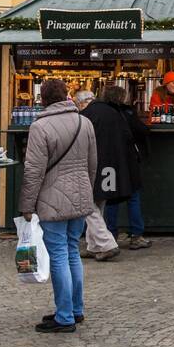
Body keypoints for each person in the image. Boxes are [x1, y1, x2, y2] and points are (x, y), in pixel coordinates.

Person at [20, 78, 97, 333]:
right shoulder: (84, 122)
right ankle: (76, 310)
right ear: (67, 96)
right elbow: (92, 164)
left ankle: (64, 316)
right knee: (73, 251)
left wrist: (26, 206)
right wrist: (87, 190)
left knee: (60, 255)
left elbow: (33, 171)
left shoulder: (40, 127)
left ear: (42, 98)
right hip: (81, 195)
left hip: (52, 200)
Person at [99, 87, 151, 250]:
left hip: (108, 161)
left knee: (111, 199)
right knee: (133, 197)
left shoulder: (101, 113)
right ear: (122, 98)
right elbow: (142, 130)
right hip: (128, 160)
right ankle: (136, 235)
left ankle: (110, 234)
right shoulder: (126, 113)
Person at [73, 91, 120, 262]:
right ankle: (94, 246)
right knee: (99, 203)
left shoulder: (85, 116)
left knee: (87, 204)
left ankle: (107, 243)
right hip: (112, 164)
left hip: (92, 164)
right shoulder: (112, 111)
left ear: (82, 103)